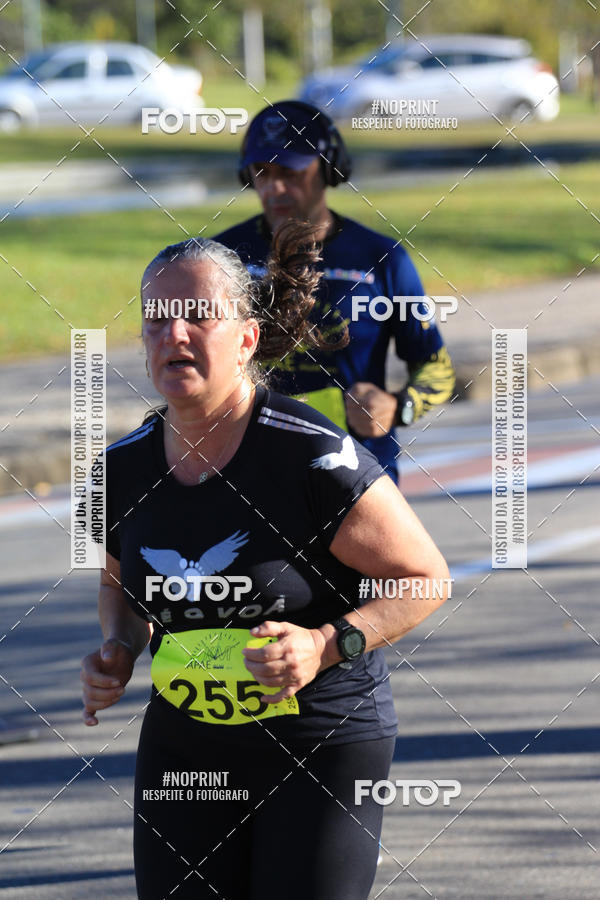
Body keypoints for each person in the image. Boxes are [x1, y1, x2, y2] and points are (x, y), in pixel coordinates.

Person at [80, 222, 450, 900]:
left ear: (247, 338)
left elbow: (426, 579)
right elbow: (119, 584)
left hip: (319, 741)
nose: (174, 334)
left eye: (198, 315)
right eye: (157, 318)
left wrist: (323, 643)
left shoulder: (310, 455)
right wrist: (118, 647)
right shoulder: (118, 470)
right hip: (186, 744)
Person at [213, 100, 456, 481]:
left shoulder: (382, 259)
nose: (274, 187)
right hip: (249, 472)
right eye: (262, 172)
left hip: (355, 472)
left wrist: (398, 406)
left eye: (290, 171)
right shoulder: (219, 258)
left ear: (329, 169)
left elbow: (436, 367)